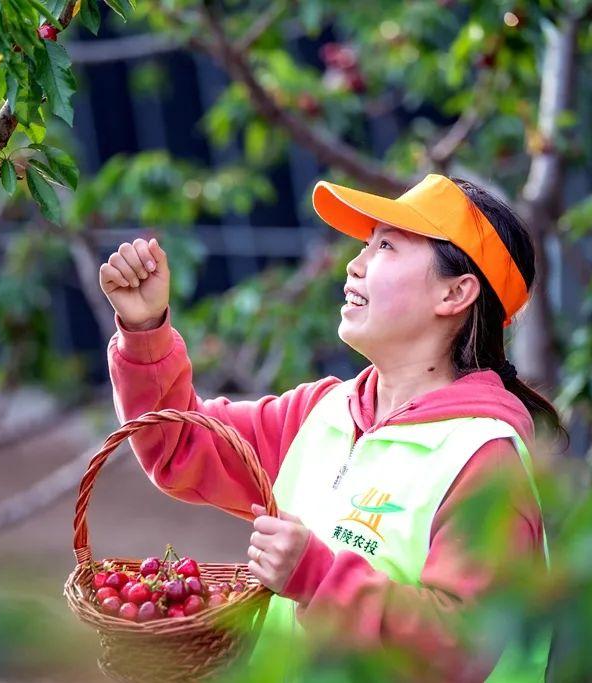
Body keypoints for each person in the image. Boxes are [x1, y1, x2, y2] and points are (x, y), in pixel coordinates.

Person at [98, 173, 566, 681]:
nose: (355, 264)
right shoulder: (320, 412)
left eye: (386, 246)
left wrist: (317, 577)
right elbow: (179, 443)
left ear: (456, 293)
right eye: (367, 245)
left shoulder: (484, 456)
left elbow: (459, 647)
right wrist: (145, 330)